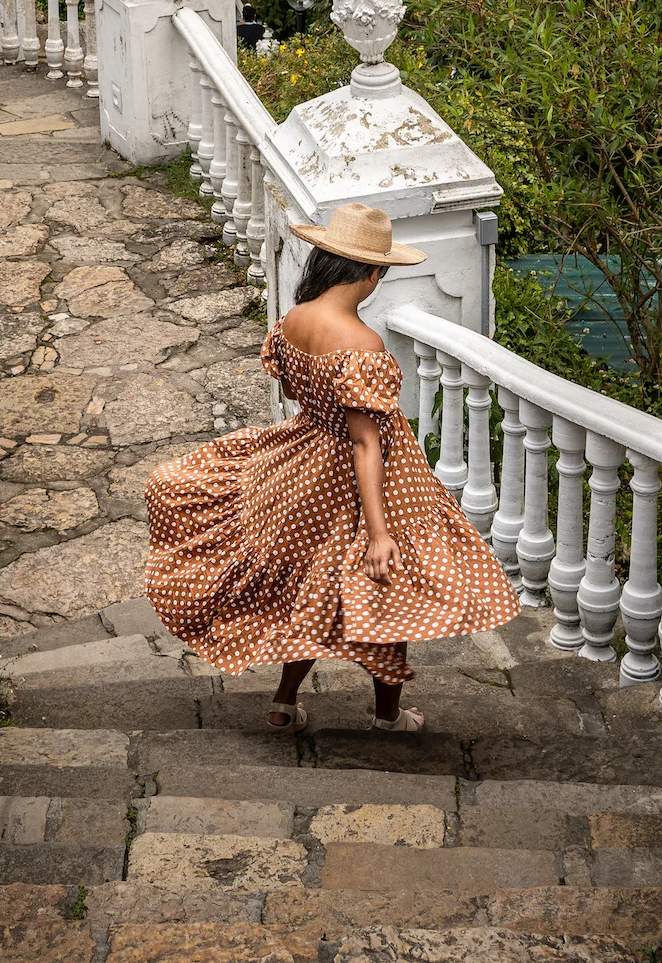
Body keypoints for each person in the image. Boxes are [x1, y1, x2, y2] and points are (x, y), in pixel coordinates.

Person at [144, 201, 518, 732]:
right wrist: (379, 531)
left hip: (305, 463)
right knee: (391, 594)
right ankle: (388, 716)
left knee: (309, 587)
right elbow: (368, 444)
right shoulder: (361, 345)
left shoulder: (294, 320)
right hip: (366, 482)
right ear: (371, 273)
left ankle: (284, 700)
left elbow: (297, 390)